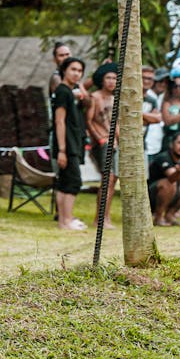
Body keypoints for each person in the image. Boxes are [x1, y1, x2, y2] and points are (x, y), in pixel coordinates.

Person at [51, 56, 88, 230]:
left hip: (74, 142)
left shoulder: (71, 92)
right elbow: (59, 121)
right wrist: (62, 150)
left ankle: (66, 219)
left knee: (65, 182)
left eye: (79, 71)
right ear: (64, 70)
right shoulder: (62, 91)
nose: (76, 74)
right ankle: (65, 221)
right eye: (73, 69)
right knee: (74, 182)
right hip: (66, 144)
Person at [86, 62, 118, 229]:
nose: (112, 81)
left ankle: (106, 216)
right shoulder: (95, 97)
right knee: (107, 178)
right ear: (102, 79)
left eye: (114, 78)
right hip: (102, 142)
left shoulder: (116, 98)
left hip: (115, 143)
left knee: (112, 180)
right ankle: (99, 218)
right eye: (108, 78)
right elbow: (89, 121)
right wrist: (98, 138)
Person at [142, 66, 166, 160]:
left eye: (150, 79)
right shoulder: (128, 96)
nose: (147, 81)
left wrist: (137, 113)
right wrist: (148, 117)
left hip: (142, 143)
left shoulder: (152, 100)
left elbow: (157, 119)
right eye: (144, 78)